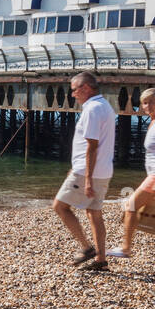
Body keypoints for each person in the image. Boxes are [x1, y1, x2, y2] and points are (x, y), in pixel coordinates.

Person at [106, 87, 155, 263]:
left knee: (130, 205)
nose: (148, 106)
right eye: (145, 102)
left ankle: (125, 248)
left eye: (152, 102)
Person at [52, 72, 115, 271]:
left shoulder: (92, 109)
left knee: (60, 207)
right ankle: (101, 260)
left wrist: (86, 178)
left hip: (89, 172)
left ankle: (87, 248)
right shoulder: (105, 106)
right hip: (104, 171)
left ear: (86, 88)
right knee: (94, 213)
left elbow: (92, 146)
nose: (72, 95)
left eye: (74, 90)